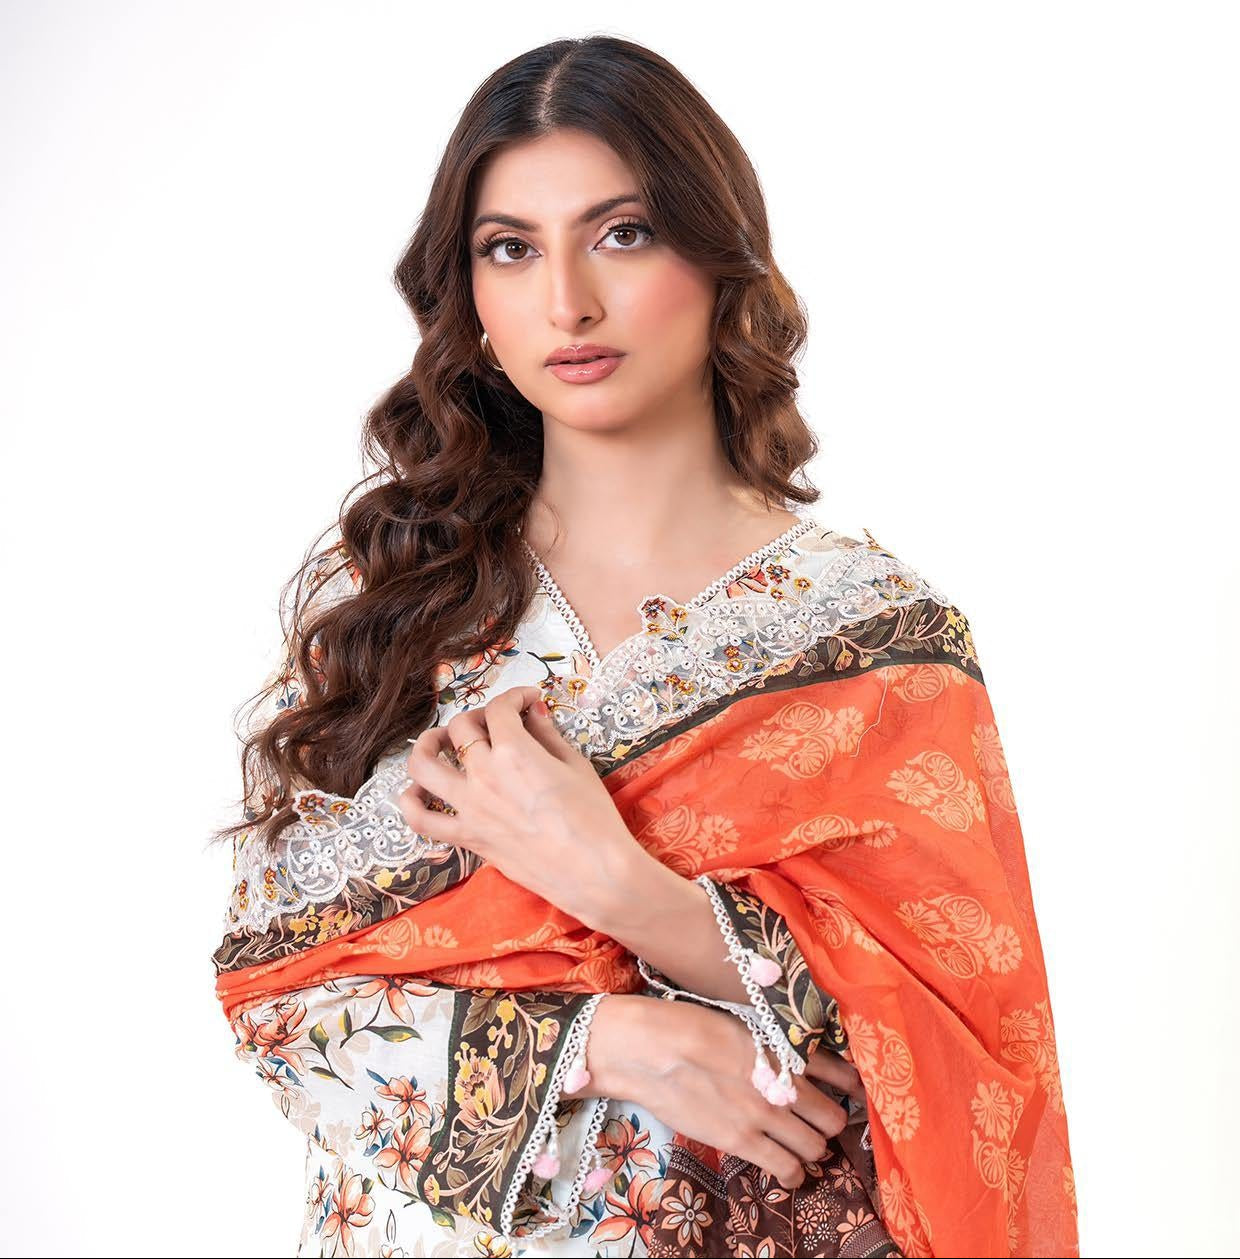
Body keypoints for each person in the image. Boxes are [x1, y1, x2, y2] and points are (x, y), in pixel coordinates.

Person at [209, 35, 1079, 1259]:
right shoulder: (399, 601)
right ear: (469, 294)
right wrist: (615, 1041)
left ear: (720, 257)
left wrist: (615, 883)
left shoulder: (871, 637)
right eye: (510, 248)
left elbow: (960, 1060)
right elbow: (275, 995)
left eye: (621, 233)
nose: (566, 300)